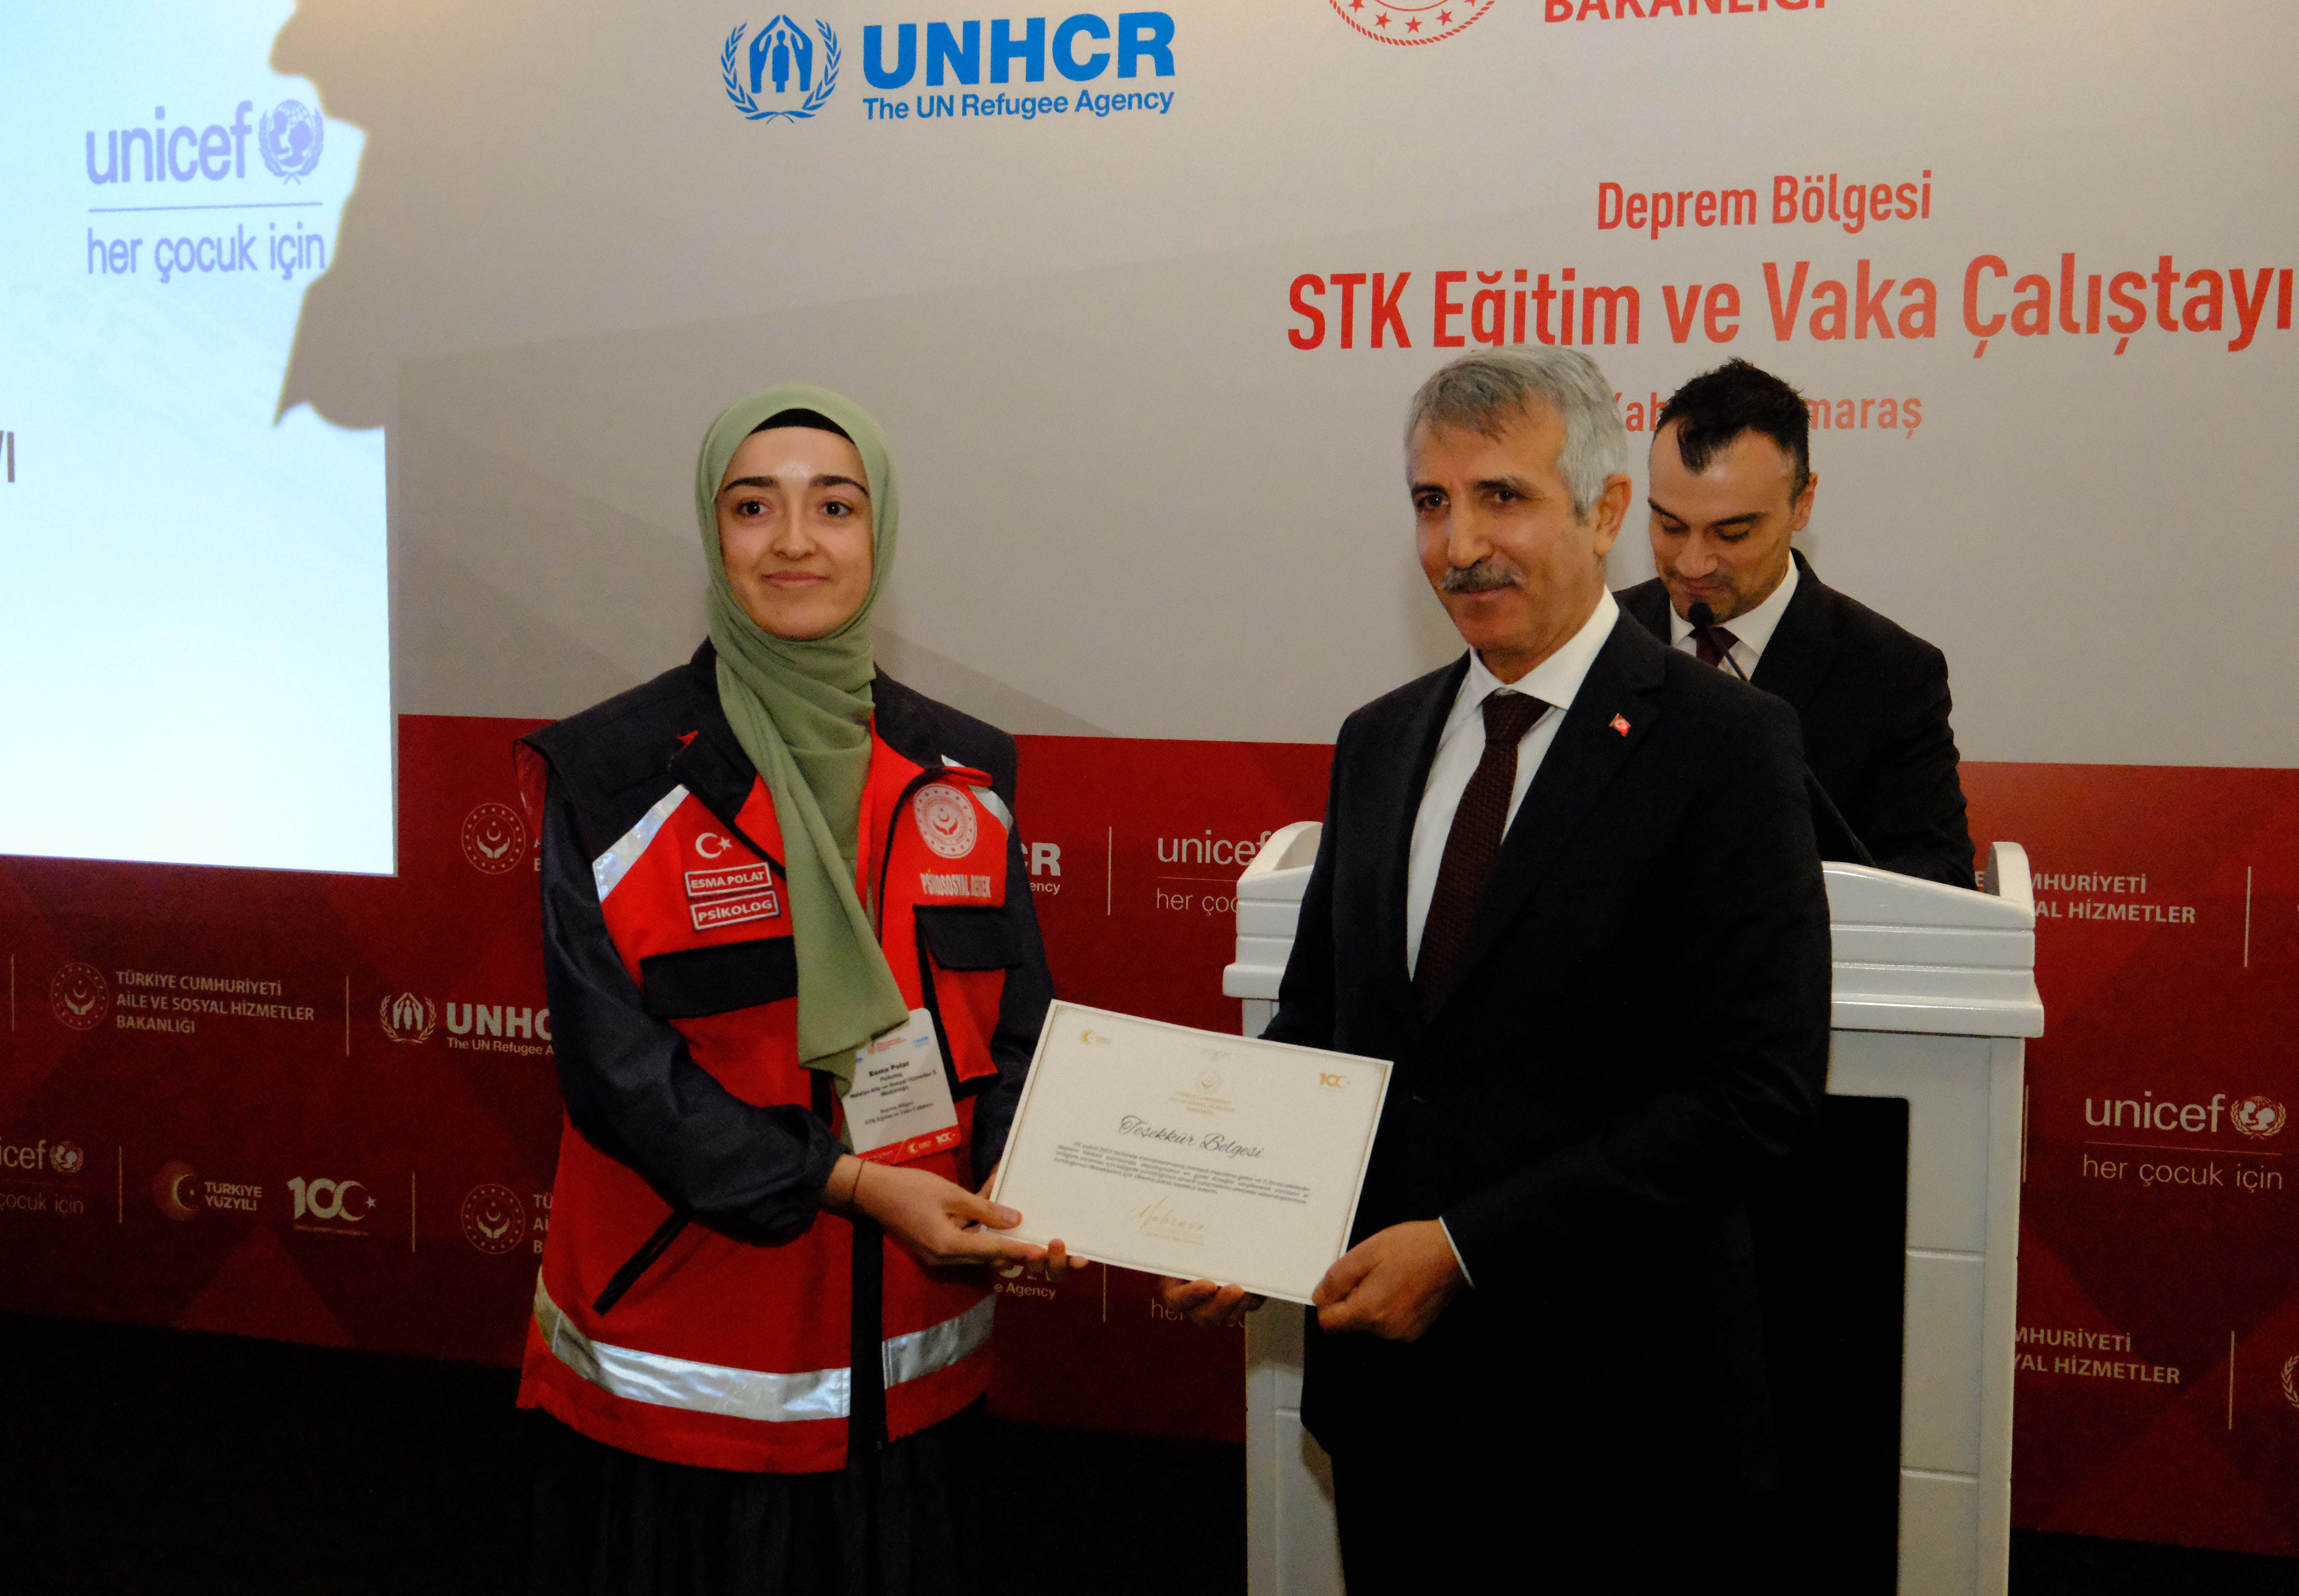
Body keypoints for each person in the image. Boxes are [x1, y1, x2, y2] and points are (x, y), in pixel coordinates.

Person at [1168, 348, 1830, 1593]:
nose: (1460, 544)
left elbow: (1754, 1094)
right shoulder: (1378, 740)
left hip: (1617, 1435)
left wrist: (1463, 1249)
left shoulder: (1727, 745)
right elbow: (1320, 1027)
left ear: (1604, 509)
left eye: (1501, 498)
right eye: (1431, 502)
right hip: (1396, 1425)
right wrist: (1237, 1213)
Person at [517, 384, 1071, 1596]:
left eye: (835, 506)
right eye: (752, 506)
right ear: (712, 534)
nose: (794, 541)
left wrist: (1027, 1175)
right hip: (689, 1390)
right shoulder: (610, 774)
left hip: (916, 1385)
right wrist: (852, 1185)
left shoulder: (967, 770)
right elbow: (619, 1077)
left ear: (881, 533)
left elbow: (1021, 1021)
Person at [1619, 358, 1975, 885]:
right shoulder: (1598, 638)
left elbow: (1937, 877)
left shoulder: (1892, 673)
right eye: (1670, 526)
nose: (1693, 565)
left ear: (1802, 504)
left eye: (1732, 534)